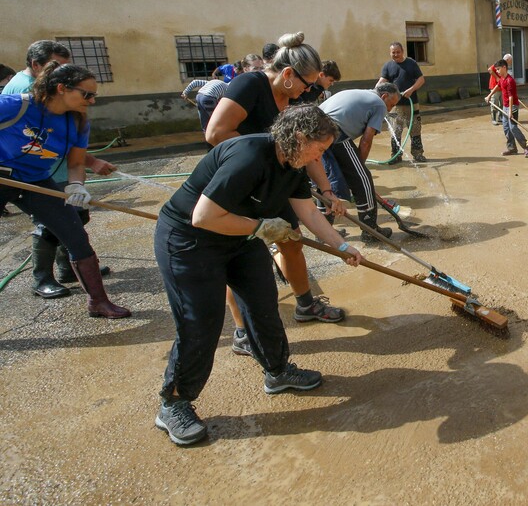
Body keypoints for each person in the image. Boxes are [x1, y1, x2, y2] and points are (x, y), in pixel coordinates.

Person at [154, 105, 363, 446]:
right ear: (299, 138)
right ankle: (174, 402)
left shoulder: (293, 164)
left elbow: (307, 211)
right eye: (320, 149)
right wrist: (263, 226)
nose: (320, 158)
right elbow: (203, 217)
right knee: (200, 323)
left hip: (241, 236)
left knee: (262, 303)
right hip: (191, 241)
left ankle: (278, 372)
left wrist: (341, 246)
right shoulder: (248, 156)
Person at [206, 32, 347, 357]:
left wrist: (326, 191)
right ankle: (242, 331)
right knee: (240, 256)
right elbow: (215, 134)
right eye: (306, 83)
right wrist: (266, 156)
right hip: (244, 181)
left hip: (281, 180)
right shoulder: (250, 85)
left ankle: (305, 304)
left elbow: (309, 150)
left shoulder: (294, 99)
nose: (308, 91)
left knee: (292, 241)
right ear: (287, 75)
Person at [0, 63, 130, 317]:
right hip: (2, 177)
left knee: (76, 236)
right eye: (86, 94)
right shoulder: (16, 105)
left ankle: (98, 302)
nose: (91, 101)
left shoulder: (77, 123)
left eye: (94, 95)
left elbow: (76, 163)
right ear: (62, 88)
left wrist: (76, 186)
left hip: (36, 180)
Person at [319, 84, 401, 242]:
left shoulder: (359, 92)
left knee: (324, 180)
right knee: (363, 179)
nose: (389, 110)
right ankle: (370, 230)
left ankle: (323, 231)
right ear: (384, 97)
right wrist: (359, 168)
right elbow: (366, 141)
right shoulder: (378, 104)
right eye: (391, 105)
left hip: (313, 129)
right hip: (333, 130)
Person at [378, 42, 426, 163]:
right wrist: (374, 92)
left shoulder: (411, 63)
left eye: (398, 52)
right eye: (393, 52)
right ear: (390, 53)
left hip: (412, 103)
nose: (396, 54)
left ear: (402, 51)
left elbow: (421, 79)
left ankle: (418, 154)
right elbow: (382, 81)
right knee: (395, 130)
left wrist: (411, 90)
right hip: (395, 105)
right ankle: (396, 155)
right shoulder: (388, 66)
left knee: (415, 128)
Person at [489, 58, 528, 157]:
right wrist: (489, 96)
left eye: (498, 69)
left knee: (513, 127)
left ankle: (527, 146)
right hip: (505, 106)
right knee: (506, 127)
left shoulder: (509, 80)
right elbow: (497, 86)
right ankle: (512, 148)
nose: (497, 71)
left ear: (504, 67)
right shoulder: (502, 78)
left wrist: (510, 111)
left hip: (513, 106)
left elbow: (511, 97)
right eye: (496, 69)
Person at [3, 40, 71, 95]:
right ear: (35, 65)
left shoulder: (22, 77)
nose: (63, 73)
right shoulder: (30, 90)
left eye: (66, 67)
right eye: (56, 67)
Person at [486, 58, 503, 125]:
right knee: (494, 103)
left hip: (502, 88)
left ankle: (500, 118)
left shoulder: (505, 66)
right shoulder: (498, 64)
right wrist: (496, 77)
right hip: (494, 87)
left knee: (502, 104)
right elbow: (489, 69)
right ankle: (493, 119)